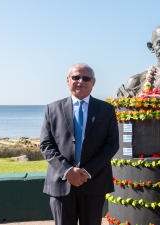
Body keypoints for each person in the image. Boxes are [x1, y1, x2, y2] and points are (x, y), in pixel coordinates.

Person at [40, 63, 119, 225]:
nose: (80, 81)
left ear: (93, 82)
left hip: (94, 182)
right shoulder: (52, 109)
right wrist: (67, 171)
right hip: (61, 183)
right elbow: (46, 145)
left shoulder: (107, 110)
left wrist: (87, 172)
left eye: (86, 78)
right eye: (76, 77)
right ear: (68, 80)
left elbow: (112, 144)